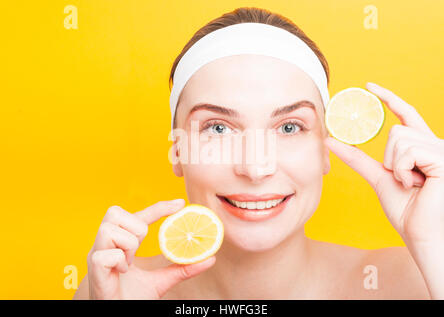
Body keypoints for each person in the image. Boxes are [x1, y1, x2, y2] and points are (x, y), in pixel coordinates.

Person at [74, 7, 444, 300]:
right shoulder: (113, 289)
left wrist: (436, 244)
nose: (255, 167)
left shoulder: (414, 282)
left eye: (289, 127)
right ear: (177, 152)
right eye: (218, 128)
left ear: (326, 150)